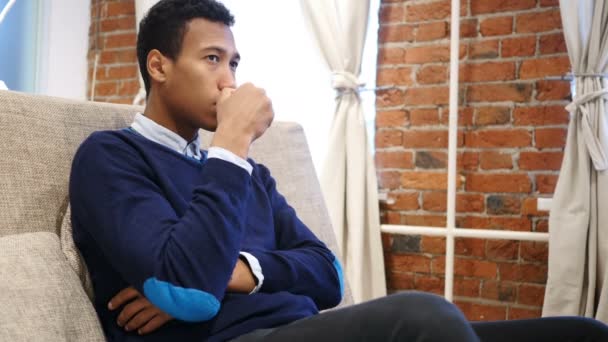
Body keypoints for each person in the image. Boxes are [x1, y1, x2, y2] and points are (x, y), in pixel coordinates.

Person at [69, 0, 608, 341]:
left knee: (582, 332)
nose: (230, 78)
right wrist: (231, 140)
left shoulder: (244, 177)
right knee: (424, 317)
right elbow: (189, 287)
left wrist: (239, 272)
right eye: (212, 59)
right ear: (158, 66)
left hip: (308, 328)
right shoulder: (113, 156)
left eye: (235, 62)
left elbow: (328, 275)